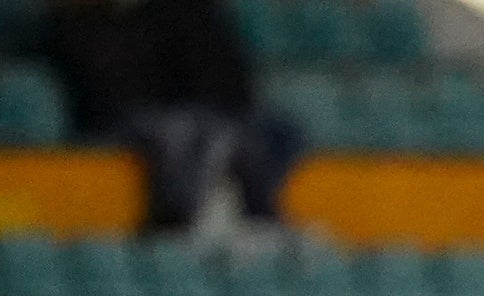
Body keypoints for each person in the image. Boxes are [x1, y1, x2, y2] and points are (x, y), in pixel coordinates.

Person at [44, 0, 303, 234]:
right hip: (118, 121)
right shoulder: (76, 22)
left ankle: (258, 216)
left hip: (192, 114)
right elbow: (107, 92)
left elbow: (227, 82)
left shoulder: (184, 11)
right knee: (185, 130)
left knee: (273, 128)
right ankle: (187, 215)